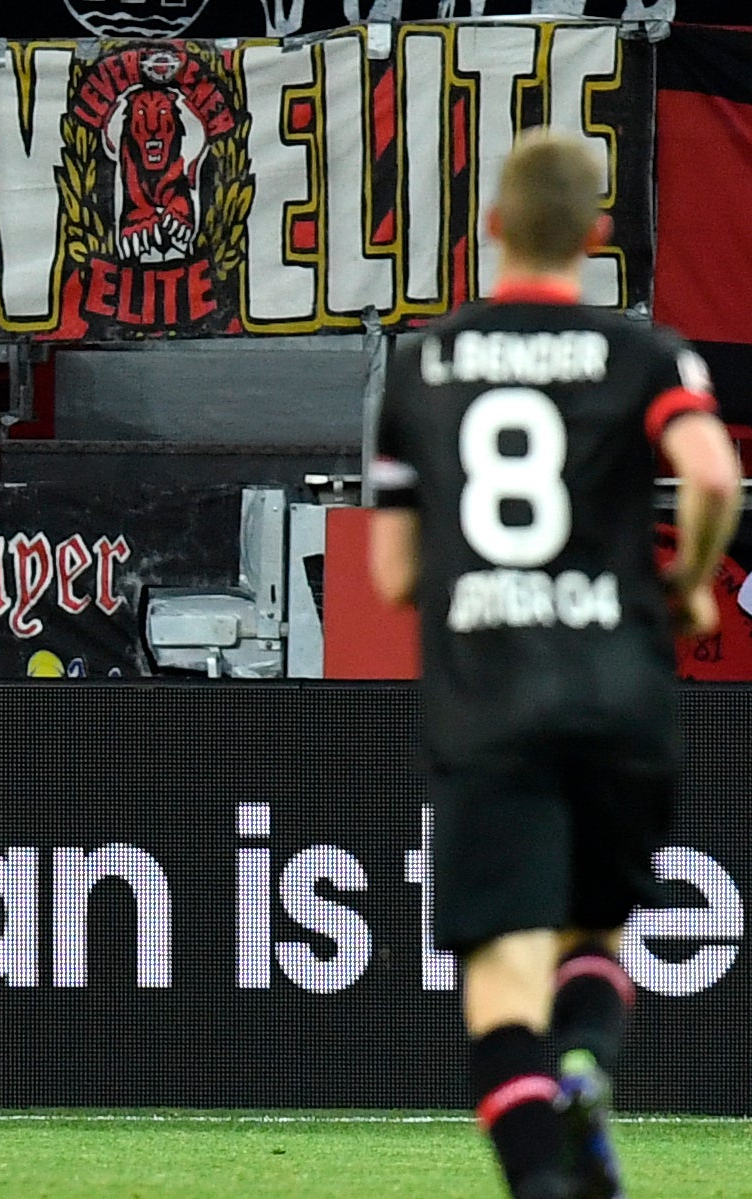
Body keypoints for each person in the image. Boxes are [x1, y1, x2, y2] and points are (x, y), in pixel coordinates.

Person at [368, 129, 740, 1199]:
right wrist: (691, 580)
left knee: (500, 987)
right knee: (593, 933)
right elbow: (710, 476)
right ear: (596, 236)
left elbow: (393, 573)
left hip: (488, 702)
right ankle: (586, 1062)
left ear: (488, 225)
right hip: (619, 688)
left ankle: (542, 1172)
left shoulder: (422, 363)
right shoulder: (646, 354)